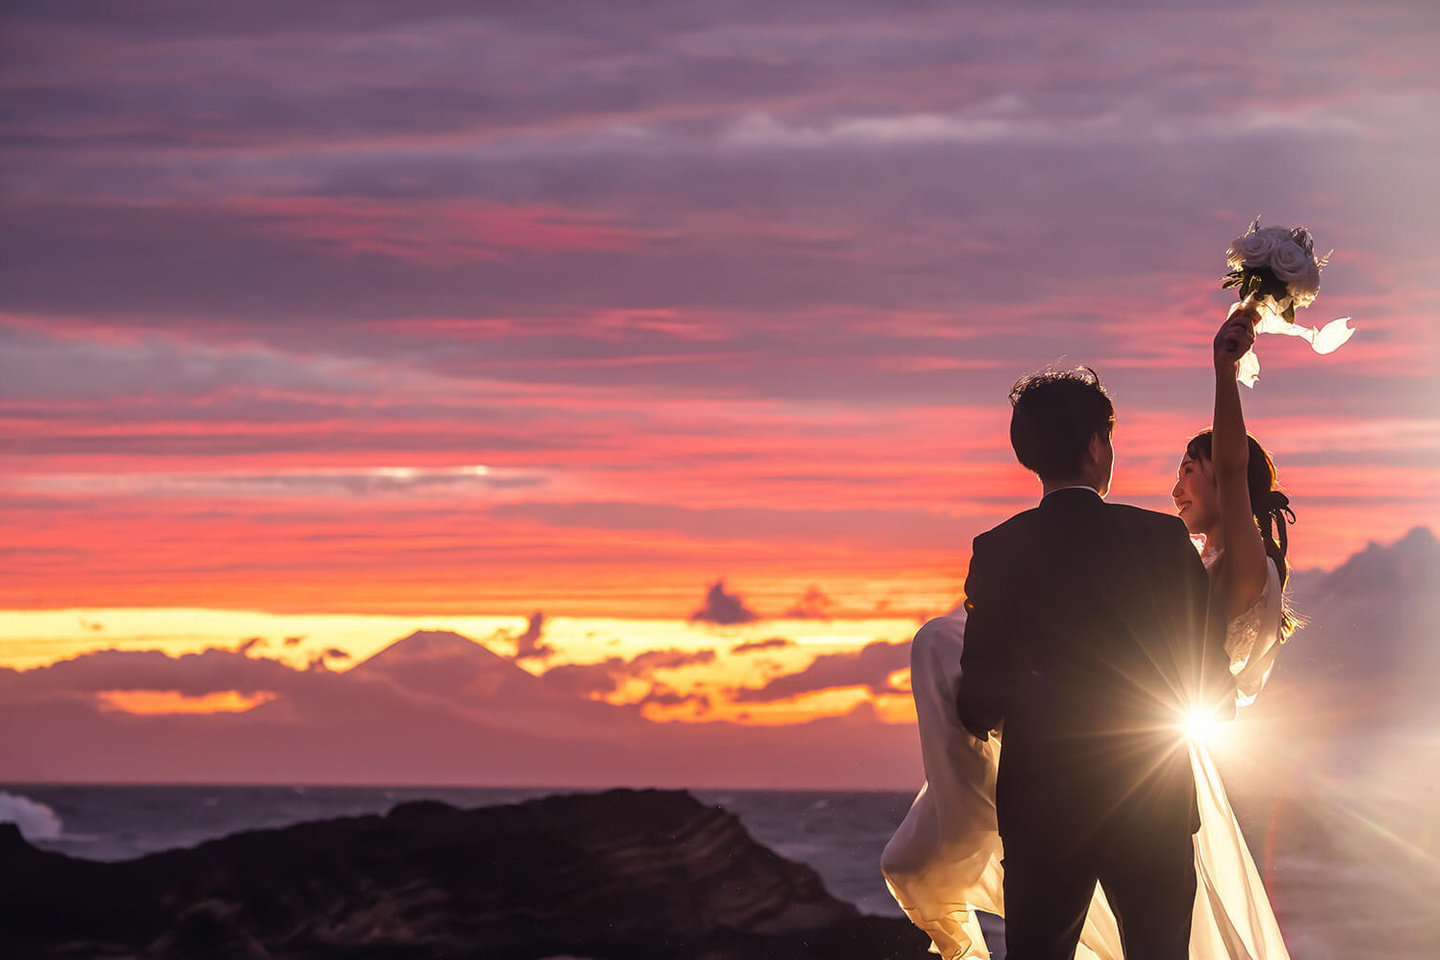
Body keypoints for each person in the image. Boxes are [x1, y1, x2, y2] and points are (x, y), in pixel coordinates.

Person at [882, 307, 1295, 959]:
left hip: (1042, 804)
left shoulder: (998, 548)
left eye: (1192, 470)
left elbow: (980, 697)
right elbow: (1205, 681)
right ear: (1100, 447)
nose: (1176, 483)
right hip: (1154, 794)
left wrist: (1000, 723)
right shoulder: (1163, 543)